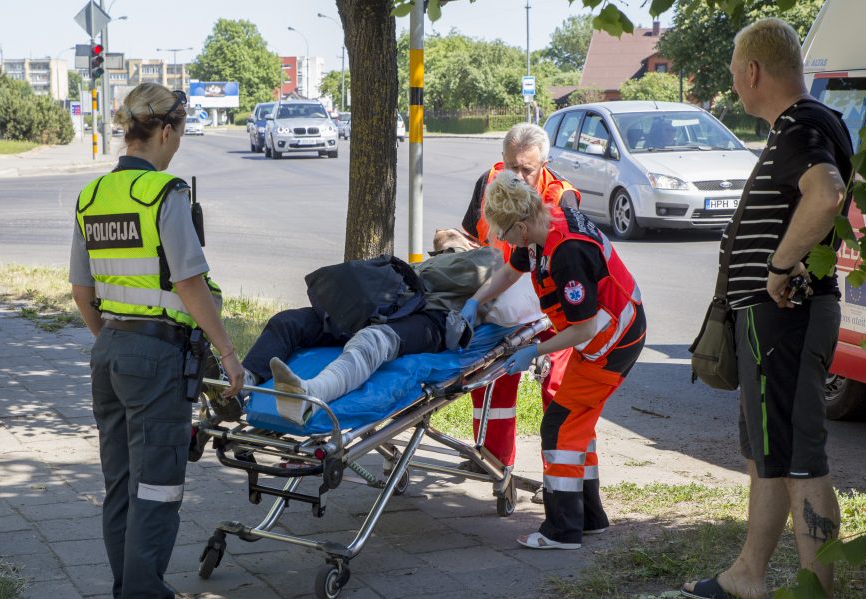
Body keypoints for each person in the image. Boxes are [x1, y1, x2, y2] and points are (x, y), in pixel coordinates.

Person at [679, 18, 852, 599]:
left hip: (786, 317)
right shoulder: (800, 126)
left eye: (733, 73)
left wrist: (779, 266)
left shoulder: (802, 125)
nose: (733, 84)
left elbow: (826, 194)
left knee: (800, 459)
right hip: (768, 320)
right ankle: (750, 574)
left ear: (752, 71)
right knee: (765, 452)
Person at [69, 83, 242, 599]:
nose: (180, 142)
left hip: (110, 351)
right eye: (181, 131)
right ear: (165, 130)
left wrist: (112, 342)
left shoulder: (93, 195)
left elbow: (82, 291)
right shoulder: (164, 194)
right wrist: (227, 351)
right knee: (158, 489)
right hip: (157, 357)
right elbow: (189, 282)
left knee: (121, 486)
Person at [467, 171, 646, 549]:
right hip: (608, 336)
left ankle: (562, 531)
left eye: (504, 233)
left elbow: (582, 329)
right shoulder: (540, 225)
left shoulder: (566, 254)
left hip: (610, 343)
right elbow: (511, 271)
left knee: (559, 427)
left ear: (520, 226)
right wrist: (475, 301)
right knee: (577, 423)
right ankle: (590, 518)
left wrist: (532, 352)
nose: (503, 240)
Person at [240, 248, 499, 425]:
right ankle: (240, 384)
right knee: (289, 321)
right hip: (390, 304)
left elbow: (503, 280)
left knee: (373, 340)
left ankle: (311, 396)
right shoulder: (441, 257)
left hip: (432, 318)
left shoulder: (489, 259)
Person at [458, 123, 581, 473]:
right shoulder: (489, 183)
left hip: (553, 307)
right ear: (503, 157)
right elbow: (475, 240)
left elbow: (572, 266)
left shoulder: (561, 197)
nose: (519, 176)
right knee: (489, 383)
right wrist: (475, 299)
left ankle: (559, 476)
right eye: (512, 166)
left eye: (528, 169)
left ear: (544, 165)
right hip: (504, 301)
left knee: (558, 389)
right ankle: (492, 460)